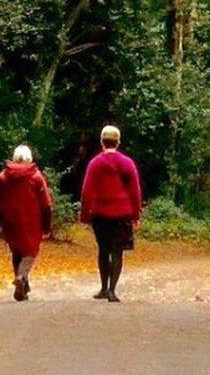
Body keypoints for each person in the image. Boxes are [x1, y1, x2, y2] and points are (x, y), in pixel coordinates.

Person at [80, 123, 142, 302]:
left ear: (102, 142)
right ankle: (113, 290)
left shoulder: (95, 163)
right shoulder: (127, 163)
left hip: (100, 214)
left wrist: (84, 215)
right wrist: (136, 215)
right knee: (117, 252)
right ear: (118, 142)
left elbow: (87, 191)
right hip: (122, 213)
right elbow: (135, 191)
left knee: (103, 250)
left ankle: (103, 288)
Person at [0, 144, 54, 301]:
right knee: (30, 253)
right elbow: (46, 204)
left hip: (10, 221)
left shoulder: (3, 177)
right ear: (29, 159)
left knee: (16, 252)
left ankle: (23, 286)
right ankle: (22, 277)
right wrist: (46, 225)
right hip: (32, 221)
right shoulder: (36, 177)